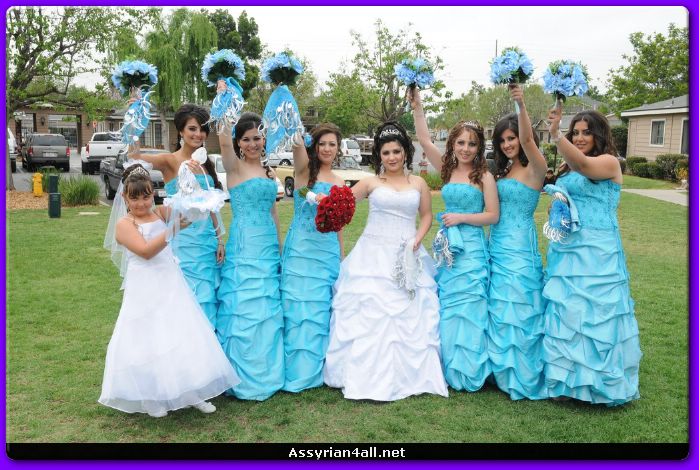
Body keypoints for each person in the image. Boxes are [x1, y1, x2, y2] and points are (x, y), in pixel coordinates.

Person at [99, 164, 239, 418]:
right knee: (148, 337)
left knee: (181, 331)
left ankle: (191, 391)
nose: (141, 203)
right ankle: (151, 396)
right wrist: (172, 230)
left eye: (146, 197)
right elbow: (145, 251)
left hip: (170, 280)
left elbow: (192, 212)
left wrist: (193, 184)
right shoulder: (124, 224)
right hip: (144, 285)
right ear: (125, 198)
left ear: (153, 194)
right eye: (134, 198)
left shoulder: (159, 212)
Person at [323, 121, 448, 401]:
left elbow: (427, 215)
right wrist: (324, 200)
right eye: (386, 152)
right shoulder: (371, 182)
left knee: (411, 311)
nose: (392, 157)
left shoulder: (418, 183)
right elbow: (342, 202)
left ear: (405, 153)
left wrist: (418, 239)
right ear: (379, 155)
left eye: (396, 151)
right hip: (372, 255)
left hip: (407, 251)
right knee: (368, 311)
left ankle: (411, 376)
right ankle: (360, 374)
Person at [543, 106, 641, 405]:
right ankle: (569, 382)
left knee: (597, 314)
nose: (580, 137)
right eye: (575, 132)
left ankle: (600, 383)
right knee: (569, 311)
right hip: (568, 248)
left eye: (586, 132)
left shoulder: (609, 162)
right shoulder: (567, 167)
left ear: (599, 134)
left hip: (598, 250)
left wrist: (556, 135)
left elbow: (584, 165)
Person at [409, 88, 499, 392]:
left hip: (472, 249)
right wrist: (418, 106)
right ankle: (449, 367)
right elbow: (424, 140)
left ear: (479, 147)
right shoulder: (447, 170)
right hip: (448, 251)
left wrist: (461, 217)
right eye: (460, 143)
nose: (466, 149)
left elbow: (492, 215)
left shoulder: (484, 177)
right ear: (452, 144)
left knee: (470, 305)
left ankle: (470, 370)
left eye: (472, 144)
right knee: (448, 304)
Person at [215, 84, 285, 401]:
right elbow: (222, 137)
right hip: (245, 244)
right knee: (245, 305)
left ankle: (267, 370)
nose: (253, 143)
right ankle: (241, 375)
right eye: (246, 139)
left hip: (268, 244)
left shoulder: (269, 171)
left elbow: (273, 211)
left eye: (258, 138)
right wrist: (223, 100)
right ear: (238, 142)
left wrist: (279, 245)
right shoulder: (234, 166)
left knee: (267, 305)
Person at [129, 104, 224, 328]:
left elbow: (211, 205)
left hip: (207, 244)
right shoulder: (169, 161)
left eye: (202, 129)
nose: (198, 134)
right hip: (182, 241)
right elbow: (134, 156)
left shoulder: (205, 164)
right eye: (192, 129)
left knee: (208, 299)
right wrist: (135, 116)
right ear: (180, 131)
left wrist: (220, 239)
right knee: (187, 299)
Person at [486, 84, 549, 400]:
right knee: (499, 304)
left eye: (511, 138)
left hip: (520, 247)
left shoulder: (537, 168)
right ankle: (499, 369)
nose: (508, 144)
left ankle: (521, 373)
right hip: (496, 244)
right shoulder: (506, 170)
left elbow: (528, 141)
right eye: (502, 140)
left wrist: (520, 104)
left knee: (519, 304)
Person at [281, 123, 346, 393]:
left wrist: (341, 256)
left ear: (338, 148)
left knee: (320, 308)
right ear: (314, 146)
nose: (327, 149)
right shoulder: (304, 171)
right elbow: (296, 144)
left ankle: (319, 368)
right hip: (302, 250)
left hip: (327, 250)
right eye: (322, 144)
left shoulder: (340, 183)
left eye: (332, 144)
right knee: (298, 307)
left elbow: (339, 225)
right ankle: (298, 370)